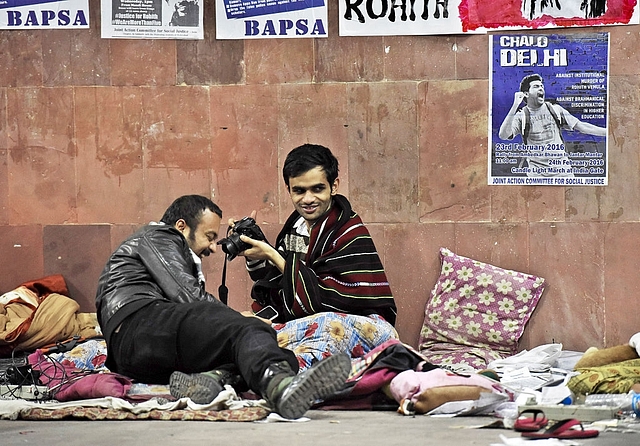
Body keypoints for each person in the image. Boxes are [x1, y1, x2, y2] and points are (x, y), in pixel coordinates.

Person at [95, 195, 351, 419]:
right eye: (209, 236)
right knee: (252, 332)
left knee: (264, 353)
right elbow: (188, 297)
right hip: (140, 325)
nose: (212, 247)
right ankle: (281, 387)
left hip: (138, 354)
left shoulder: (156, 246)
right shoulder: (159, 235)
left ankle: (213, 379)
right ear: (182, 227)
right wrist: (243, 322)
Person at [230, 144, 398, 370]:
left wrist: (273, 254)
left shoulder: (349, 231)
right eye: (299, 191)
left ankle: (284, 373)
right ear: (288, 189)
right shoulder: (294, 227)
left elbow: (328, 299)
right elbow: (278, 283)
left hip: (358, 327)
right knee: (240, 325)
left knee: (328, 325)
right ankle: (240, 374)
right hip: (305, 327)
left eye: (317, 189)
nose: (308, 199)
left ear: (334, 186)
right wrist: (253, 248)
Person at [498, 73, 606, 178]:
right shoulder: (521, 115)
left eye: (542, 86)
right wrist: (515, 105)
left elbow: (583, 127)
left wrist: (608, 132)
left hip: (563, 173)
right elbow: (503, 135)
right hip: (537, 175)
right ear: (526, 94)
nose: (541, 89)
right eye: (536, 86)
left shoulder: (555, 109)